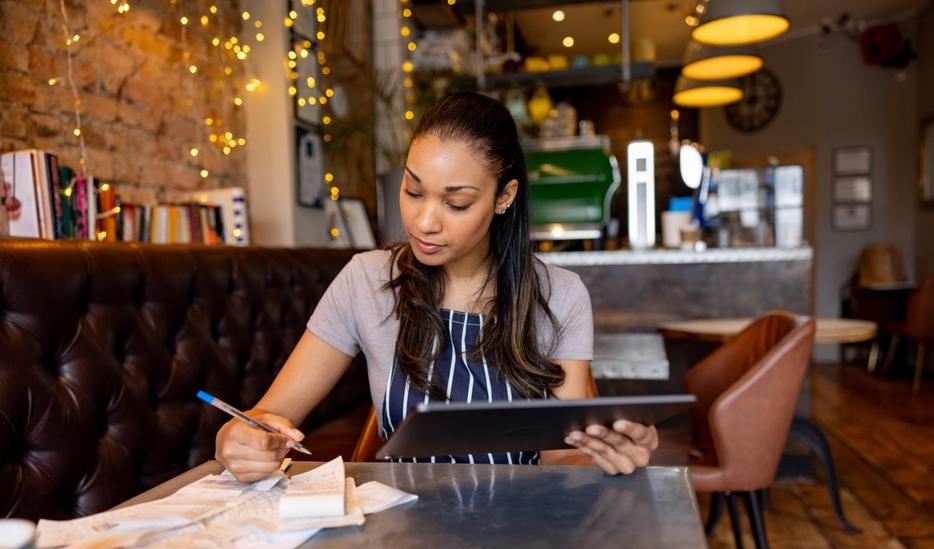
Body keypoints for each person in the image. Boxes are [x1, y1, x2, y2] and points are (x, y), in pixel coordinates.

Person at [215, 92, 658, 482]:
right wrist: (239, 438)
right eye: (412, 191)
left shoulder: (560, 295)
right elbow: (268, 416)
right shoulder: (366, 280)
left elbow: (562, 457)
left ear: (504, 197)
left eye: (456, 202)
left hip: (520, 532)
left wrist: (609, 455)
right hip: (401, 533)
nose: (424, 222)